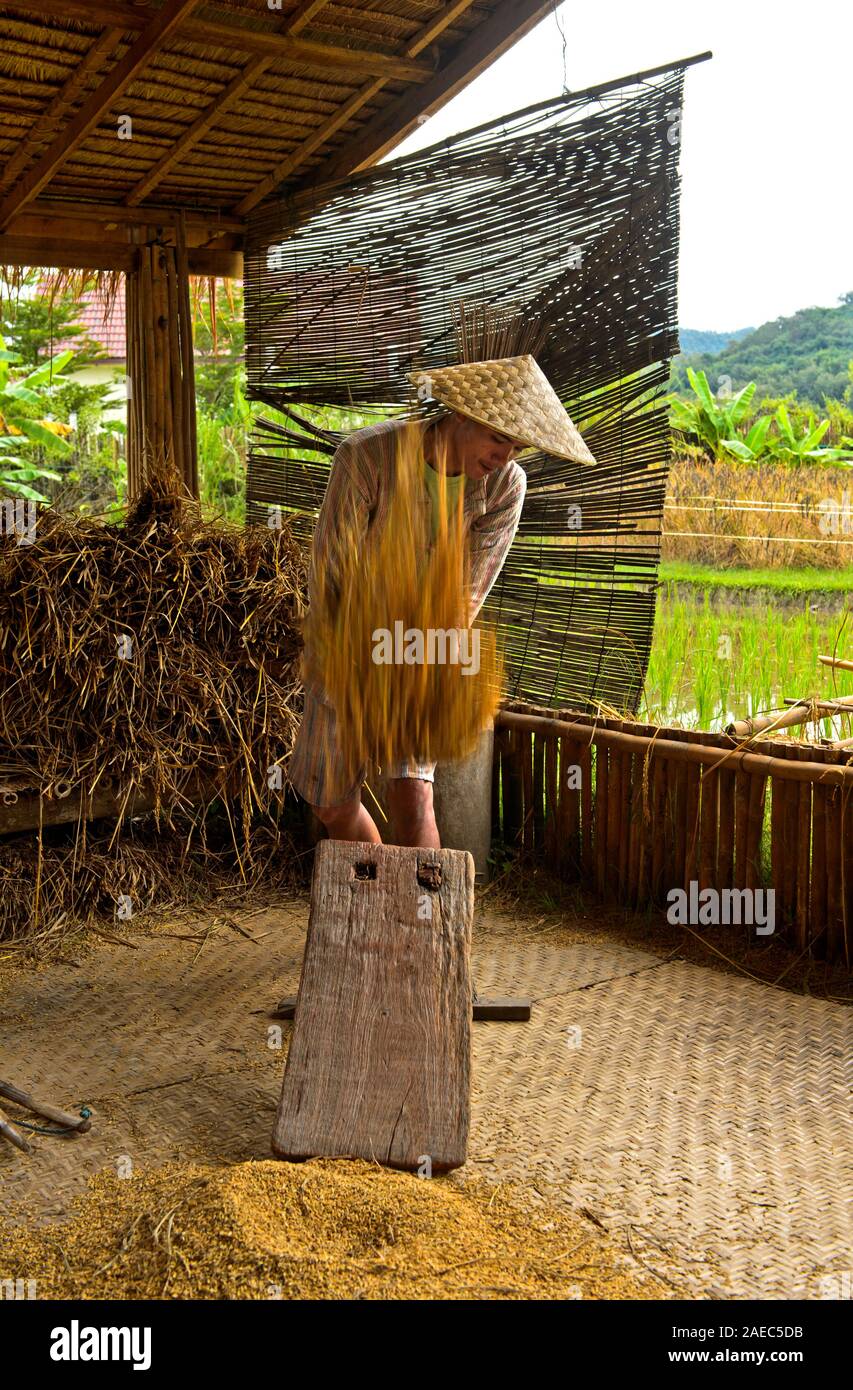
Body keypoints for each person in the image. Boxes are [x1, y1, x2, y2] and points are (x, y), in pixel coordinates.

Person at [288, 353, 596, 848]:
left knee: (412, 795)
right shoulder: (367, 458)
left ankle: (421, 921)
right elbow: (332, 574)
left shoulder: (504, 486)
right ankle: (376, 898)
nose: (505, 456)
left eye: (517, 446)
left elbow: (467, 590)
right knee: (330, 801)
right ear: (459, 415)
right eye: (498, 438)